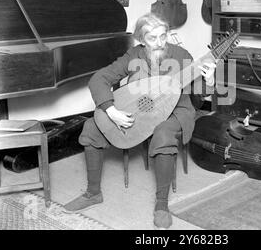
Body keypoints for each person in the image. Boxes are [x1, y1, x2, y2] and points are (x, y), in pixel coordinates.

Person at [63, 13, 216, 229]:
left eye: (163, 36)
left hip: (176, 111)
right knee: (90, 128)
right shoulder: (133, 55)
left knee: (163, 135)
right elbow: (99, 79)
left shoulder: (181, 55)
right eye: (152, 38)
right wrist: (111, 110)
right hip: (143, 111)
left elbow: (198, 96)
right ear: (141, 40)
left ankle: (162, 205)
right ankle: (92, 193)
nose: (160, 43)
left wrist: (209, 80)